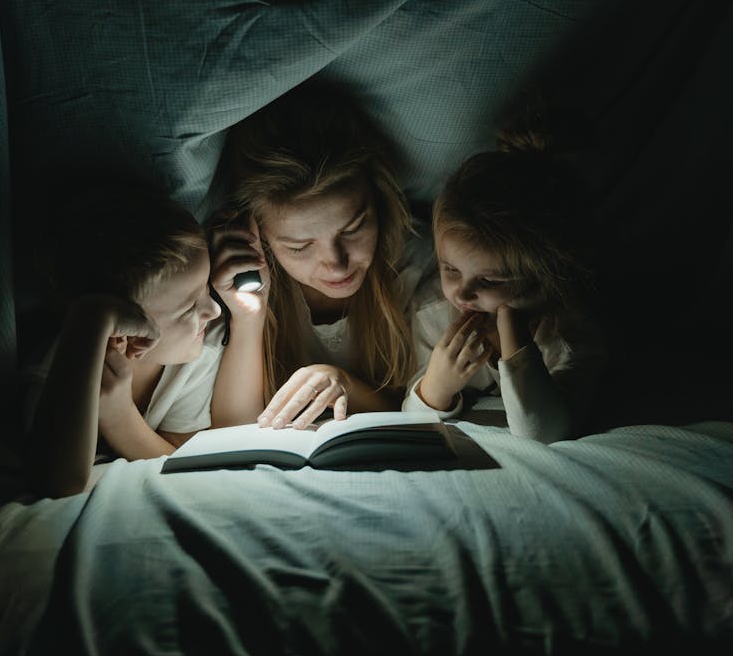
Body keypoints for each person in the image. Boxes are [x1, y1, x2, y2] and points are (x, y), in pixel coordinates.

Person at [208, 82, 432, 430]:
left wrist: (343, 382)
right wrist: (247, 321)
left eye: (354, 227)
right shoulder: (238, 278)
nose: (337, 263)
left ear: (378, 201)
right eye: (299, 247)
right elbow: (232, 429)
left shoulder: (419, 265)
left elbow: (427, 410)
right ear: (258, 236)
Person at [403, 113, 607, 443]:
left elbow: (544, 432)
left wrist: (513, 333)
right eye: (450, 269)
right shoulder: (435, 311)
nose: (462, 293)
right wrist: (436, 387)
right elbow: (412, 421)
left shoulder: (568, 333)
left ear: (542, 281)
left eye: (491, 281)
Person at [23, 184, 223, 498]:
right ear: (126, 329)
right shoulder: (55, 374)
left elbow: (182, 459)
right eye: (189, 307)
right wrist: (92, 318)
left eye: (207, 289)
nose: (214, 310)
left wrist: (120, 417)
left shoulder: (193, 357)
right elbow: (58, 483)